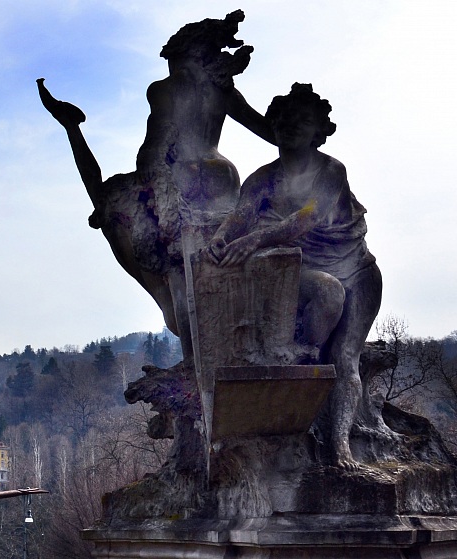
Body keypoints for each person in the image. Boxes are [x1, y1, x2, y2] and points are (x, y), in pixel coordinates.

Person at [38, 10, 275, 357]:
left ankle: (71, 126)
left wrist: (153, 181)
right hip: (219, 175)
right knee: (128, 221)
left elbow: (162, 140)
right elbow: (268, 131)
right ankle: (181, 313)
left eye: (174, 62)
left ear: (186, 57)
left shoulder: (168, 88)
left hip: (179, 177)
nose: (171, 70)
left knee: (110, 206)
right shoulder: (223, 91)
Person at [205, 83, 382, 466]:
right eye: (282, 120)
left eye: (301, 121)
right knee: (323, 315)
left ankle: (340, 448)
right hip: (303, 269)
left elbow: (308, 217)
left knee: (346, 355)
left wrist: (253, 240)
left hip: (357, 268)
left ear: (319, 131)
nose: (289, 126)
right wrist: (221, 239)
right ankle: (303, 386)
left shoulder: (331, 170)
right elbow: (241, 216)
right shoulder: (263, 178)